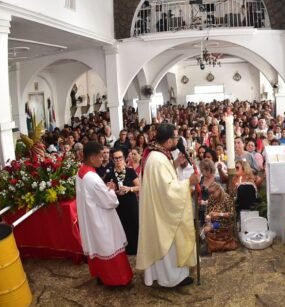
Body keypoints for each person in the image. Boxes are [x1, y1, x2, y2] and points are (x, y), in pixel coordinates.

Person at [136, 123, 198, 287]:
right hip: (163, 212)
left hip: (157, 207)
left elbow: (161, 179)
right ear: (169, 141)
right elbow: (168, 190)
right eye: (176, 138)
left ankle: (163, 276)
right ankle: (172, 279)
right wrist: (188, 182)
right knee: (168, 244)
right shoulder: (157, 159)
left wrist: (175, 163)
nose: (178, 141)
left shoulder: (155, 153)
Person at [76, 142, 133, 286]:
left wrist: (105, 188)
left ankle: (101, 276)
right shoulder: (92, 178)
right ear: (92, 157)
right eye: (100, 156)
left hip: (91, 217)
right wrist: (111, 190)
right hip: (101, 218)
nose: (103, 159)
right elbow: (110, 201)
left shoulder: (81, 172)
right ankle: (118, 280)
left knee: (98, 247)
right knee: (108, 246)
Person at [111, 148, 140, 256]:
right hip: (118, 205)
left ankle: (136, 249)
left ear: (124, 158)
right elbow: (106, 189)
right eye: (116, 158)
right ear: (112, 160)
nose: (118, 160)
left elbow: (140, 186)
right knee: (121, 226)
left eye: (120, 157)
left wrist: (129, 189)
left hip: (131, 203)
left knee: (134, 225)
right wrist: (114, 191)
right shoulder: (110, 173)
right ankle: (125, 250)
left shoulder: (130, 171)